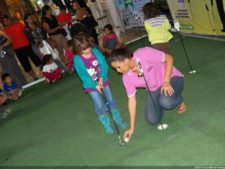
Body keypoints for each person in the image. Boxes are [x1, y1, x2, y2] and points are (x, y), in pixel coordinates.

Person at [108, 47, 187, 140]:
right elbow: (131, 100)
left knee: (166, 102)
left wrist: (166, 82)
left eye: (118, 67)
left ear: (126, 60)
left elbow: (169, 58)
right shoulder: (126, 78)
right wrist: (131, 127)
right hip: (154, 89)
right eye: (115, 68)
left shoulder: (144, 53)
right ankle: (164, 99)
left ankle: (179, 99)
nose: (118, 71)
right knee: (152, 120)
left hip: (171, 78)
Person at [73, 34, 127, 134]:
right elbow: (83, 76)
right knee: (99, 104)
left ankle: (118, 120)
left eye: (88, 47)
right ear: (78, 49)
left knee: (110, 100)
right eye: (84, 49)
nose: (88, 50)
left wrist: (101, 78)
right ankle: (106, 124)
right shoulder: (77, 59)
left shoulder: (95, 51)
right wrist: (95, 85)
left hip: (103, 80)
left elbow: (104, 64)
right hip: (90, 85)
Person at [1, 15, 41, 80]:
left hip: (27, 45)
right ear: (3, 23)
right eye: (4, 21)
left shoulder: (19, 24)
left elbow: (28, 32)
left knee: (36, 60)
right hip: (17, 49)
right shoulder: (4, 31)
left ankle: (44, 72)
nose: (6, 22)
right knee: (26, 65)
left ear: (9, 19)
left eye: (7, 20)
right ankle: (35, 77)